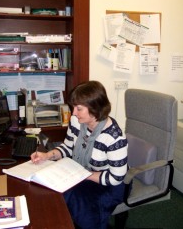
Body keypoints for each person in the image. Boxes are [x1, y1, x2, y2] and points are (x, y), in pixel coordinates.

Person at [31, 80, 128, 229]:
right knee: (51, 191)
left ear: (95, 108)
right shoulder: (76, 121)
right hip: (81, 173)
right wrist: (47, 156)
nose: (74, 112)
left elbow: (116, 178)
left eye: (79, 108)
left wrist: (83, 175)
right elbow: (68, 147)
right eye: (73, 107)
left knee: (81, 205)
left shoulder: (114, 137)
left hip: (107, 184)